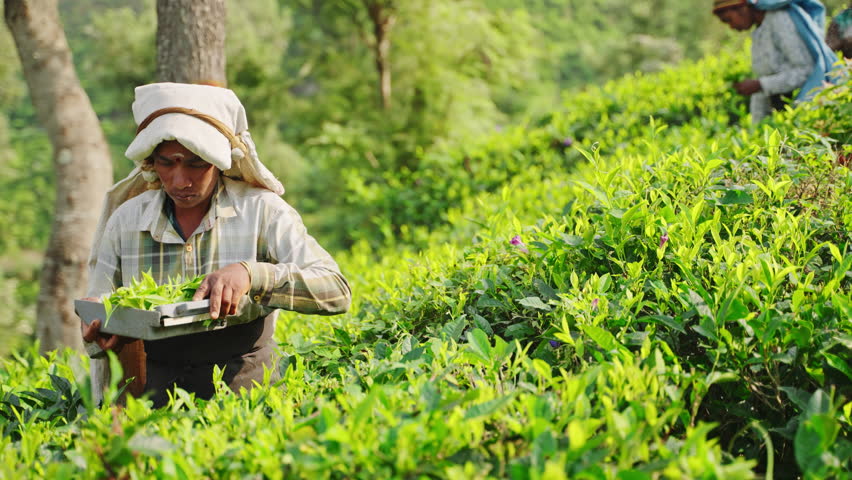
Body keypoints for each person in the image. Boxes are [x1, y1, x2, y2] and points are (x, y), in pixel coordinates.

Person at [80, 82, 351, 407]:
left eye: (196, 163)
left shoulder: (262, 211)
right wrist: (103, 328)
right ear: (151, 162)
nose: (180, 180)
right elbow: (99, 307)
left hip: (248, 387)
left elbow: (336, 291)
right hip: (158, 393)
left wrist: (251, 275)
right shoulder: (126, 221)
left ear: (220, 160)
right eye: (167, 163)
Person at [713, 0, 837, 123]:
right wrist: (757, 128)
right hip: (784, 116)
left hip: (806, 110)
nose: (731, 27)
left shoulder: (779, 20)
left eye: (728, 20)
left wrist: (760, 84)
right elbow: (763, 85)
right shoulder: (759, 29)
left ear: (742, 8)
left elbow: (806, 70)